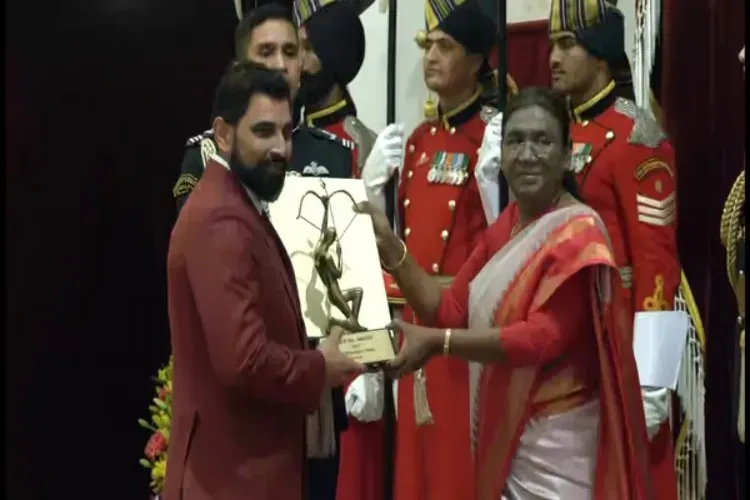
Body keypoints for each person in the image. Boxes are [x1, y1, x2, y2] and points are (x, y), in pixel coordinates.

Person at [356, 86, 655, 499]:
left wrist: (439, 344)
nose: (527, 154)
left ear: (568, 154)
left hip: (560, 452)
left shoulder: (579, 233)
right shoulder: (509, 224)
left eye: (542, 140)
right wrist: (391, 247)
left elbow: (542, 338)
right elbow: (449, 308)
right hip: (509, 441)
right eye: (515, 141)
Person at [164, 62, 363, 500]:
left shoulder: (238, 203)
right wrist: (321, 367)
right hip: (232, 478)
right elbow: (245, 360)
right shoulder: (222, 218)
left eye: (287, 133)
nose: (280, 148)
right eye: (263, 132)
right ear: (223, 134)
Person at [359, 1, 517, 499]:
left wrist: (497, 188)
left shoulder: (492, 137)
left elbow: (507, 240)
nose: (430, 56)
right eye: (428, 45)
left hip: (464, 327)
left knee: (456, 470)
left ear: (476, 60)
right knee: (413, 472)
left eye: (444, 46)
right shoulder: (419, 139)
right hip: (413, 324)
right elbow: (399, 246)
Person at [547, 1, 681, 498]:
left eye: (567, 44)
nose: (553, 58)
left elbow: (656, 262)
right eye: (551, 45)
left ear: (600, 53)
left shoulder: (636, 138)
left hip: (621, 341)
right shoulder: (556, 132)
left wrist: (651, 372)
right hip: (566, 343)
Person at [173, 3, 303, 213]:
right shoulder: (208, 154)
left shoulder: (334, 154)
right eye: (266, 51)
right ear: (241, 67)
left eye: (290, 52)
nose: (280, 64)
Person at [291, 0, 376, 180]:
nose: (298, 61)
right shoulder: (284, 139)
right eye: (295, 49)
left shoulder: (365, 148)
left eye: (307, 48)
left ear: (333, 54)